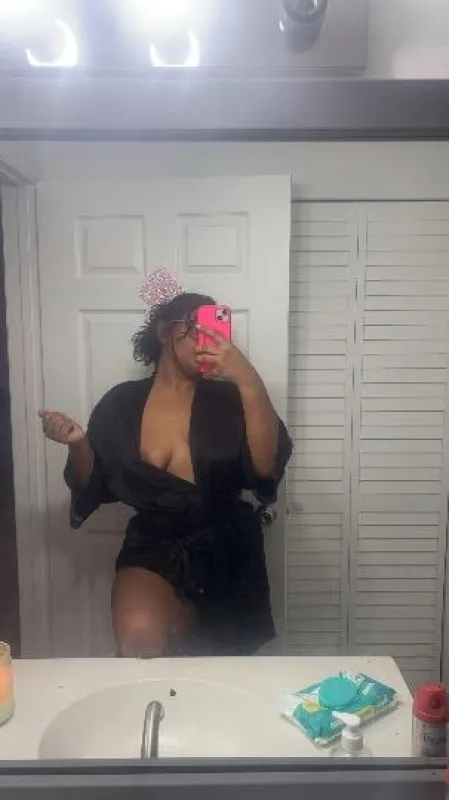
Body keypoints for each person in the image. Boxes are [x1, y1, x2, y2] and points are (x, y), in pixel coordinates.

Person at [39, 276, 292, 658]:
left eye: (213, 328)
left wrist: (247, 378)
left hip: (229, 550)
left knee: (221, 671)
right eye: (193, 326)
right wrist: (77, 443)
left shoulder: (233, 398)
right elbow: (92, 481)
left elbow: (265, 468)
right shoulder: (122, 404)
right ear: (163, 332)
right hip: (154, 545)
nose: (204, 339)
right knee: (140, 639)